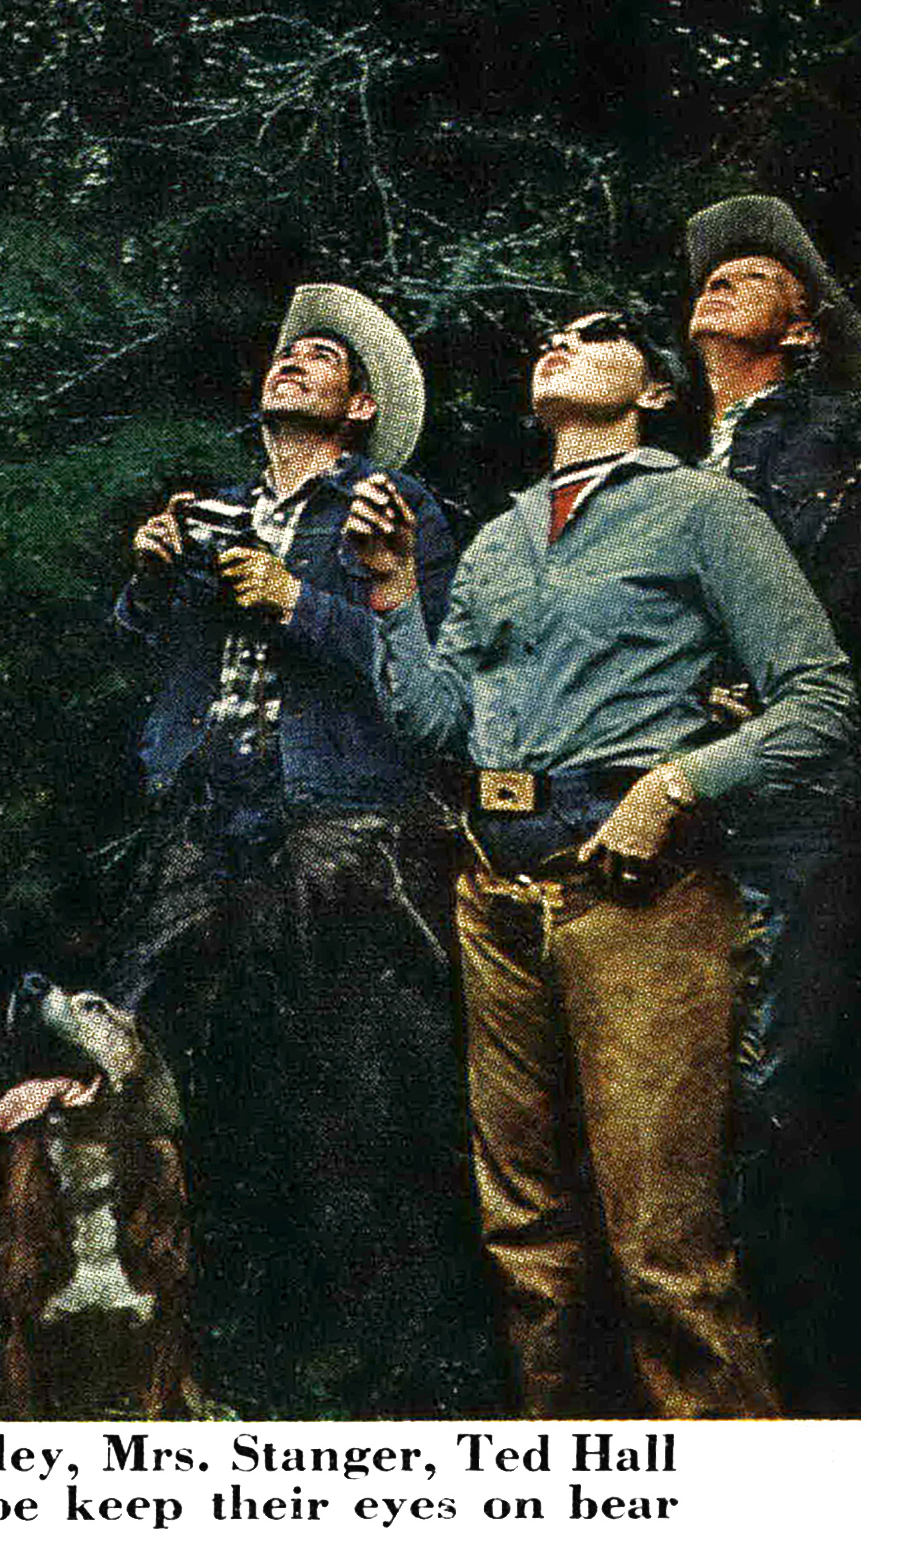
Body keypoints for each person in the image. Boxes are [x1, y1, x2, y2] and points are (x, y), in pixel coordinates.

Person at [345, 307, 855, 1419]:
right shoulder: (499, 535)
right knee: (524, 1240)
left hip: (638, 894)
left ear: (657, 392)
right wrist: (391, 595)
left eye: (595, 332)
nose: (555, 340)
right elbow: (439, 723)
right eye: (548, 335)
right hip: (493, 891)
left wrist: (672, 785)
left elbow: (822, 698)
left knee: (662, 1249)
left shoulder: (701, 509)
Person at [105, 283, 479, 1414]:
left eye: (318, 359)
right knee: (163, 1065)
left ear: (356, 405)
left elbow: (424, 678)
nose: (290, 364)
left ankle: (371, 1363)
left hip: (334, 823)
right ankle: (189, 1339)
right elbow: (137, 642)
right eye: (283, 353)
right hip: (200, 812)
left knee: (351, 1092)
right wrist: (148, 569)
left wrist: (292, 600)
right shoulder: (211, 505)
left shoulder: (392, 506)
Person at [684, 194, 861, 1414]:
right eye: (707, 273)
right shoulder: (648, 455)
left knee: (785, 1085)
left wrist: (784, 692)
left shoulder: (848, 442)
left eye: (748, 276)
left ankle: (817, 1392)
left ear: (800, 331)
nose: (715, 285)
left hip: (796, 791)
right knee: (674, 1087)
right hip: (659, 795)